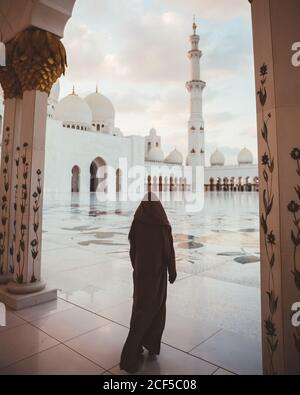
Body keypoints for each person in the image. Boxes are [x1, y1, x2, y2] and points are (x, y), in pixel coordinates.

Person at [120, 192, 177, 373]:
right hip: (156, 275)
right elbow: (169, 251)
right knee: (153, 310)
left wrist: (136, 267)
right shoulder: (162, 224)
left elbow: (132, 248)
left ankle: (147, 345)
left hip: (141, 274)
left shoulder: (137, 223)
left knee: (140, 309)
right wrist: (172, 271)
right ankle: (129, 356)